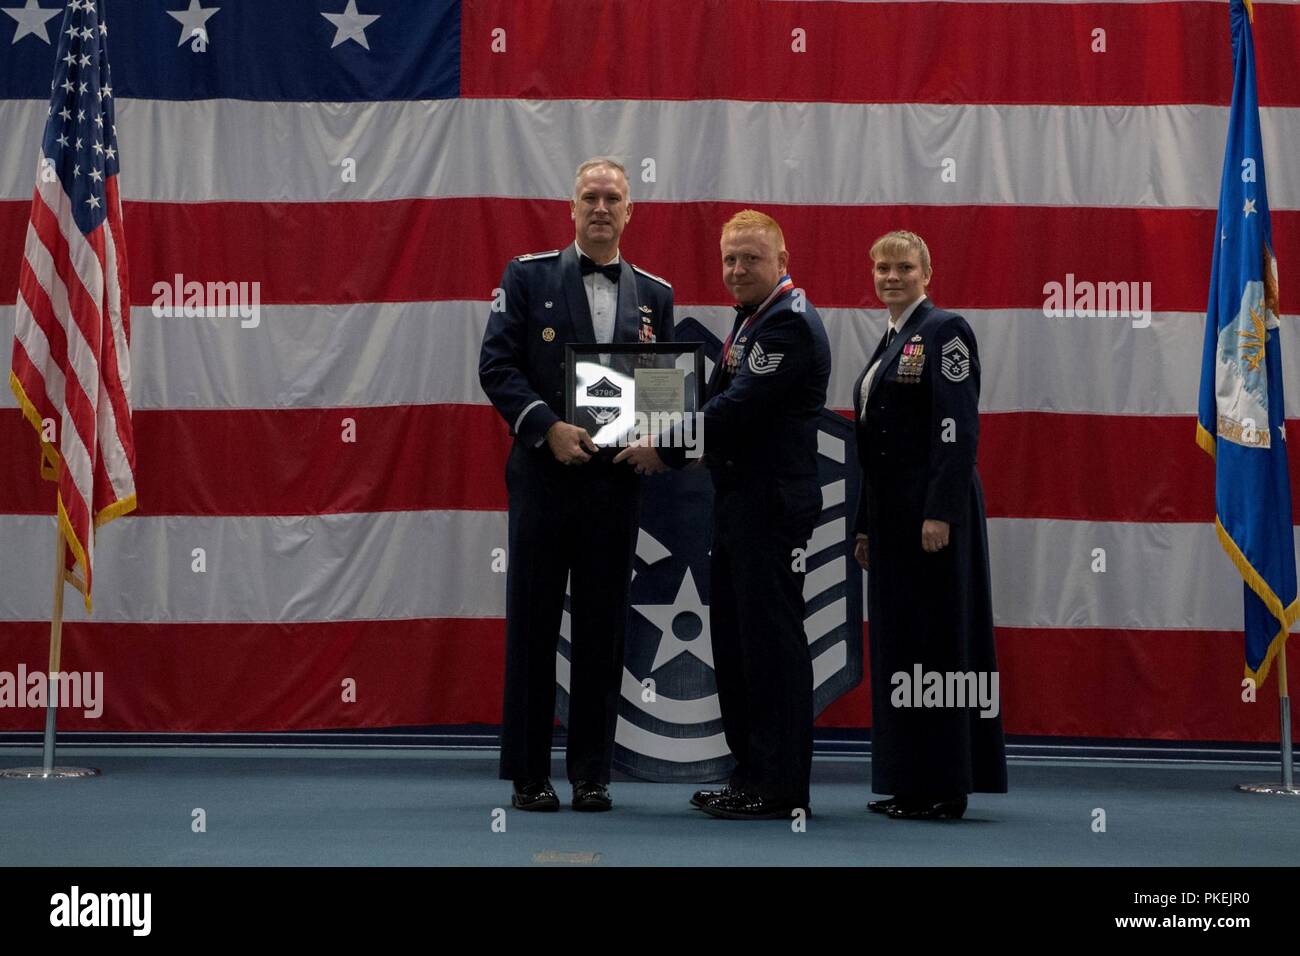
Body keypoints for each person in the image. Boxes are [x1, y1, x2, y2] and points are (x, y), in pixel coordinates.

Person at [478, 158, 674, 812]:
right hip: (543, 479)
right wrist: (546, 427)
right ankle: (529, 774)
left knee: (602, 632)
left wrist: (658, 441)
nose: (599, 207)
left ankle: (593, 773)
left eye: (611, 198)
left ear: (629, 211)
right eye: (589, 196)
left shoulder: (656, 293)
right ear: (570, 208)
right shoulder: (525, 276)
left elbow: (660, 391)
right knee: (533, 630)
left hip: (613, 489)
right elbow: (497, 365)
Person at [676, 210, 830, 819]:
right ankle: (751, 776)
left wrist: (659, 446)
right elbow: (716, 403)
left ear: (782, 262)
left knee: (770, 648)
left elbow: (735, 411)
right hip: (743, 505)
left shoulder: (787, 326)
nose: (738, 269)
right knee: (738, 647)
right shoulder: (750, 321)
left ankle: (779, 786)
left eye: (752, 258)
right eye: (730, 259)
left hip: (770, 506)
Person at [852, 230, 1007, 820]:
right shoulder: (889, 340)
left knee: (939, 647)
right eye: (883, 267)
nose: (892, 277)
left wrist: (939, 511)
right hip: (892, 520)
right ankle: (907, 778)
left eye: (904, 267)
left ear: (927, 272)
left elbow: (957, 427)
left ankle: (944, 784)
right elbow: (875, 446)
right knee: (900, 646)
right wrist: (866, 524)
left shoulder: (945, 332)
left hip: (932, 517)